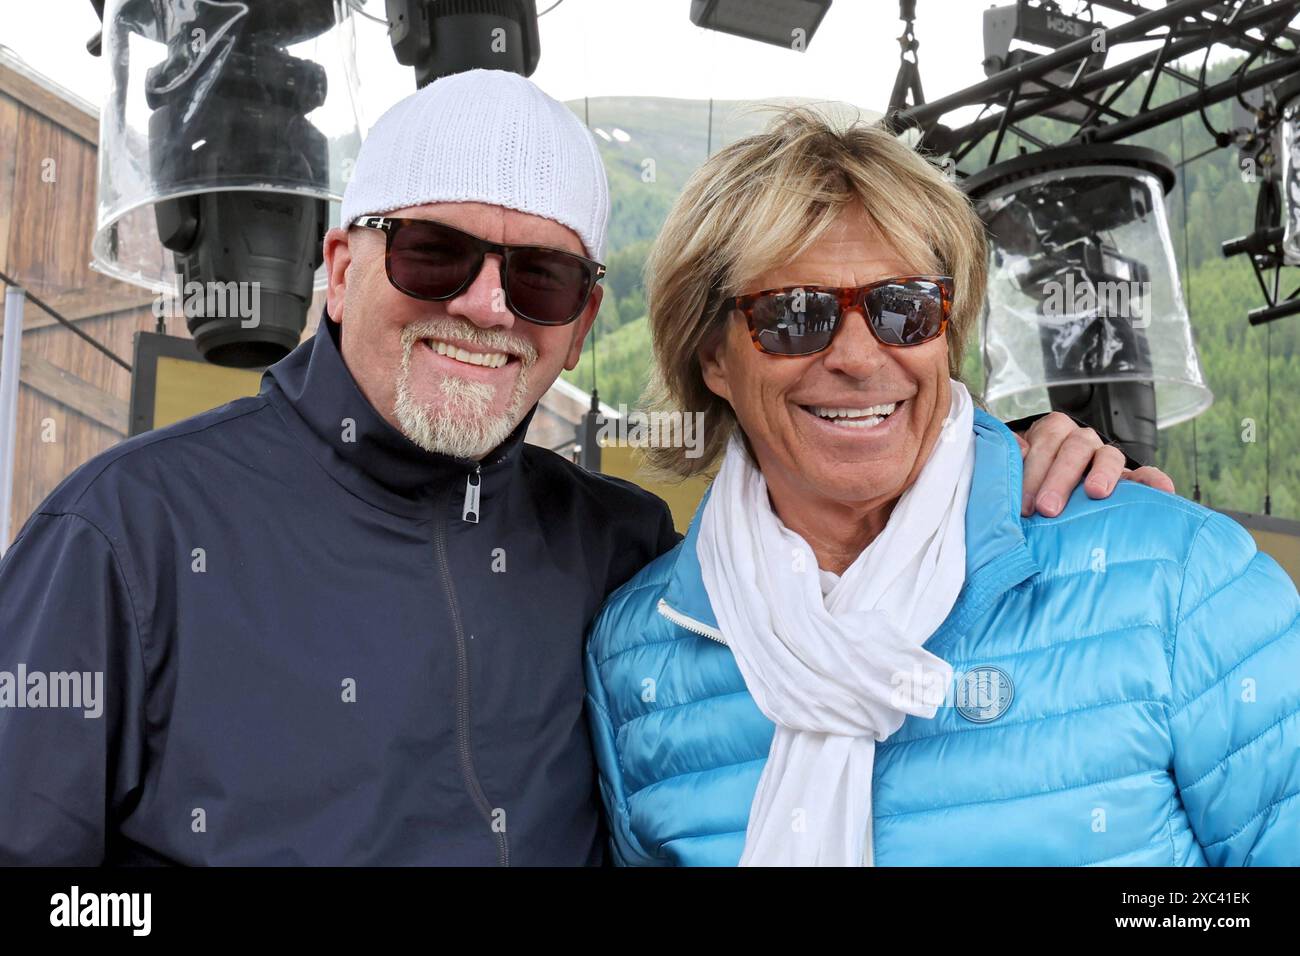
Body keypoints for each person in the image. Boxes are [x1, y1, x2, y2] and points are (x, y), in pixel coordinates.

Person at [0, 72, 1166, 866]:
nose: (486, 305)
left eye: (540, 278)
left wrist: (1009, 481)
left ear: (583, 312)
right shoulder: (126, 535)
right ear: (341, 266)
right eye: (434, 252)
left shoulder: (625, 557)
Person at [584, 107, 1300, 867]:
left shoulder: (1180, 578)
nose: (860, 359)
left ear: (946, 335)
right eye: (796, 316)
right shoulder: (637, 657)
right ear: (713, 359)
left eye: (905, 309)